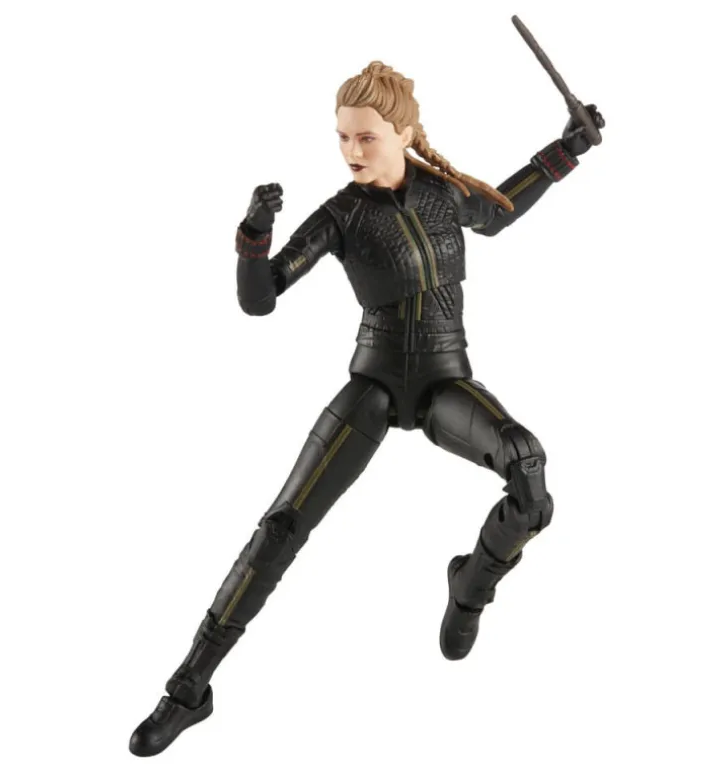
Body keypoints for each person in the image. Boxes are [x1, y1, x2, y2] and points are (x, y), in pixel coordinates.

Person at [129, 60, 604, 757]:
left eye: (366, 137)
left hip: (445, 383)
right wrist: (253, 237)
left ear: (403, 133)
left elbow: (501, 209)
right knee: (281, 526)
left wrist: (568, 148)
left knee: (529, 472)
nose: (351, 151)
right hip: (375, 385)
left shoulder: (443, 195)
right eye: (343, 137)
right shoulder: (342, 215)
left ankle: (470, 587)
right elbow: (261, 298)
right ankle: (187, 691)